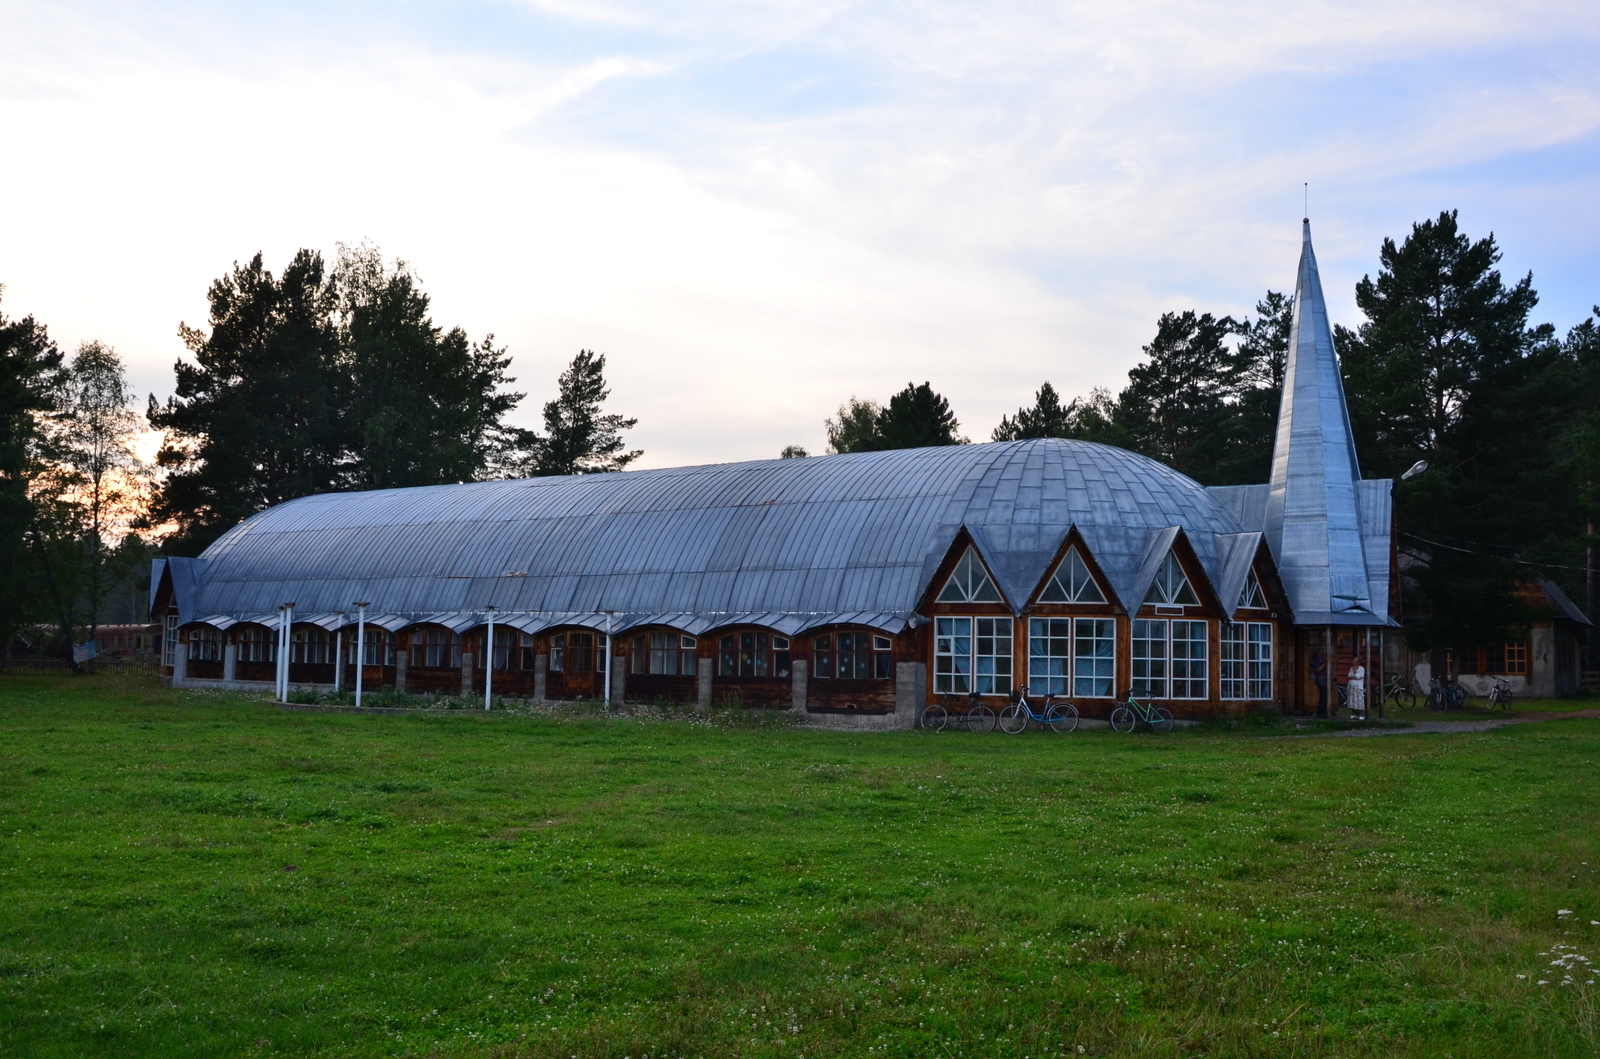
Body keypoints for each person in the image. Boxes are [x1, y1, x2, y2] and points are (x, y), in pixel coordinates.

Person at [1312, 651, 1328, 718]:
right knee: (1323, 698)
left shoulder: (1326, 660)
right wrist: (1324, 665)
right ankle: (1320, 713)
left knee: (1324, 697)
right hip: (1321, 681)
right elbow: (1317, 670)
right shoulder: (1319, 660)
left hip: (1326, 681)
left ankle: (1323, 712)